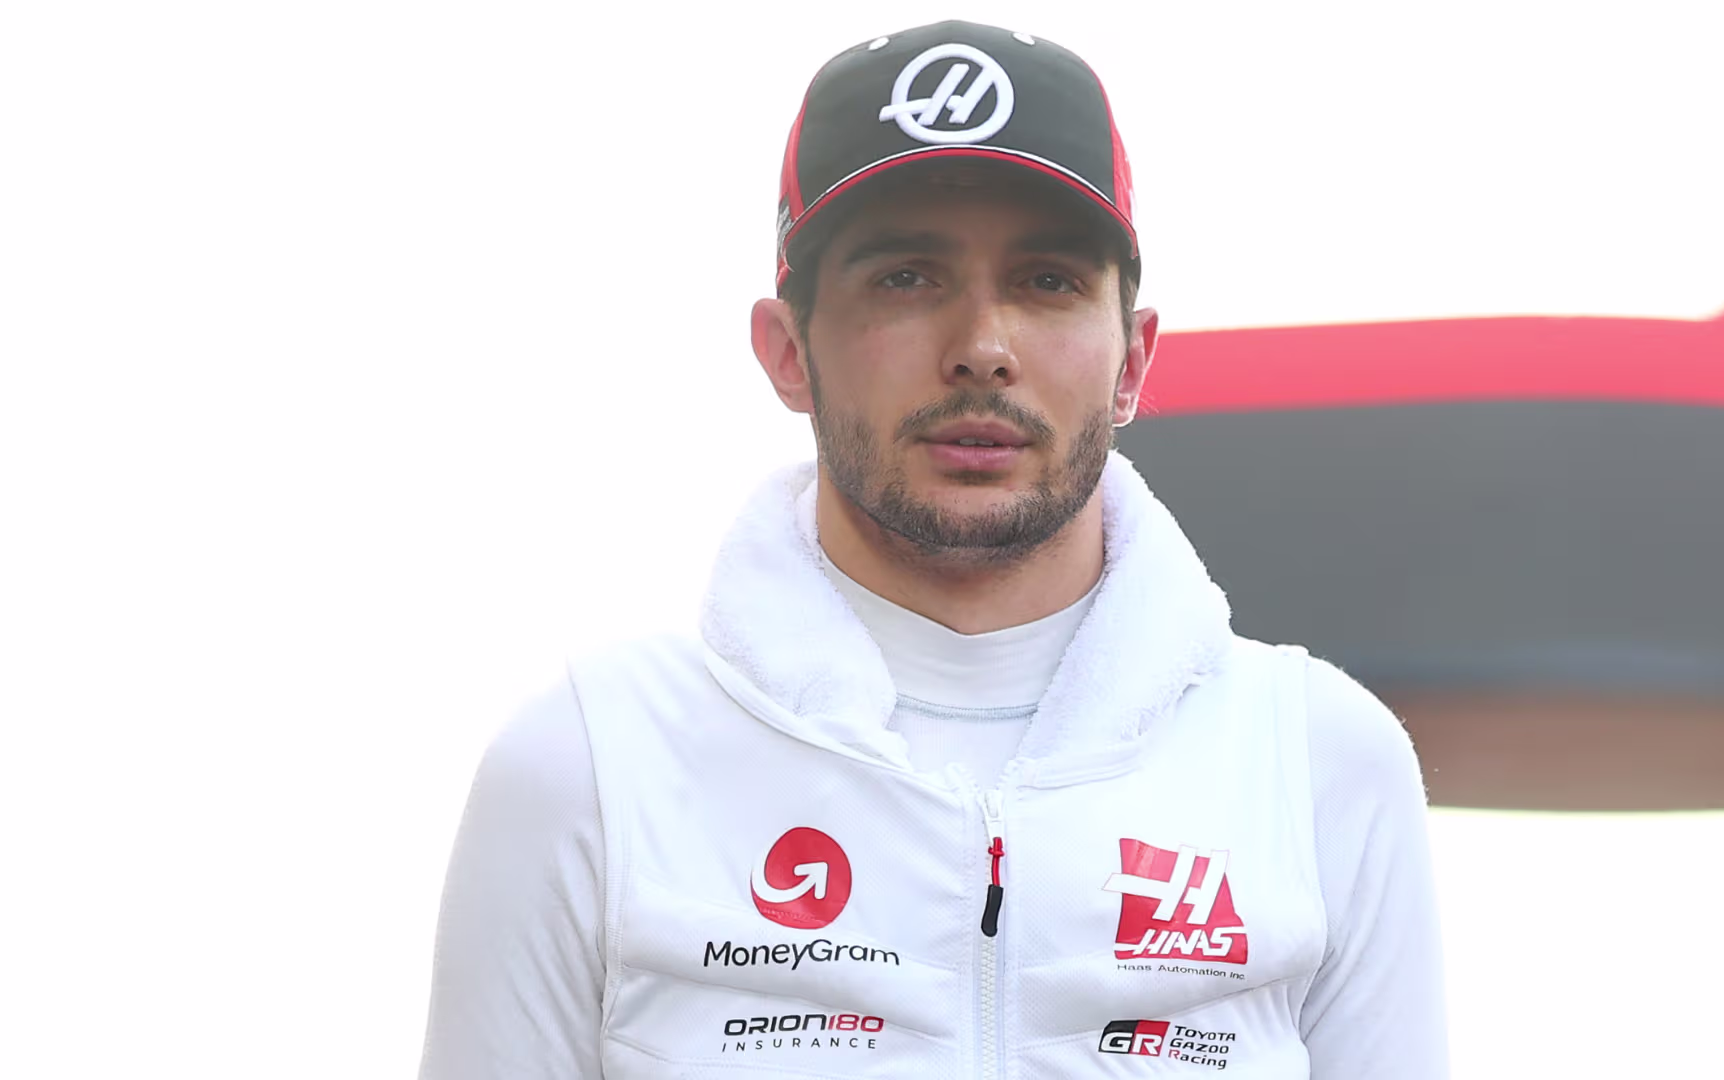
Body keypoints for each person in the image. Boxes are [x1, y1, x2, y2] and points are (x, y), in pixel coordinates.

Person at [418, 19, 1447, 1079]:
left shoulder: (1318, 764)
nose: (982, 349)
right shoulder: (593, 763)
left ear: (1133, 362)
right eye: (906, 277)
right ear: (788, 350)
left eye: (1047, 280)